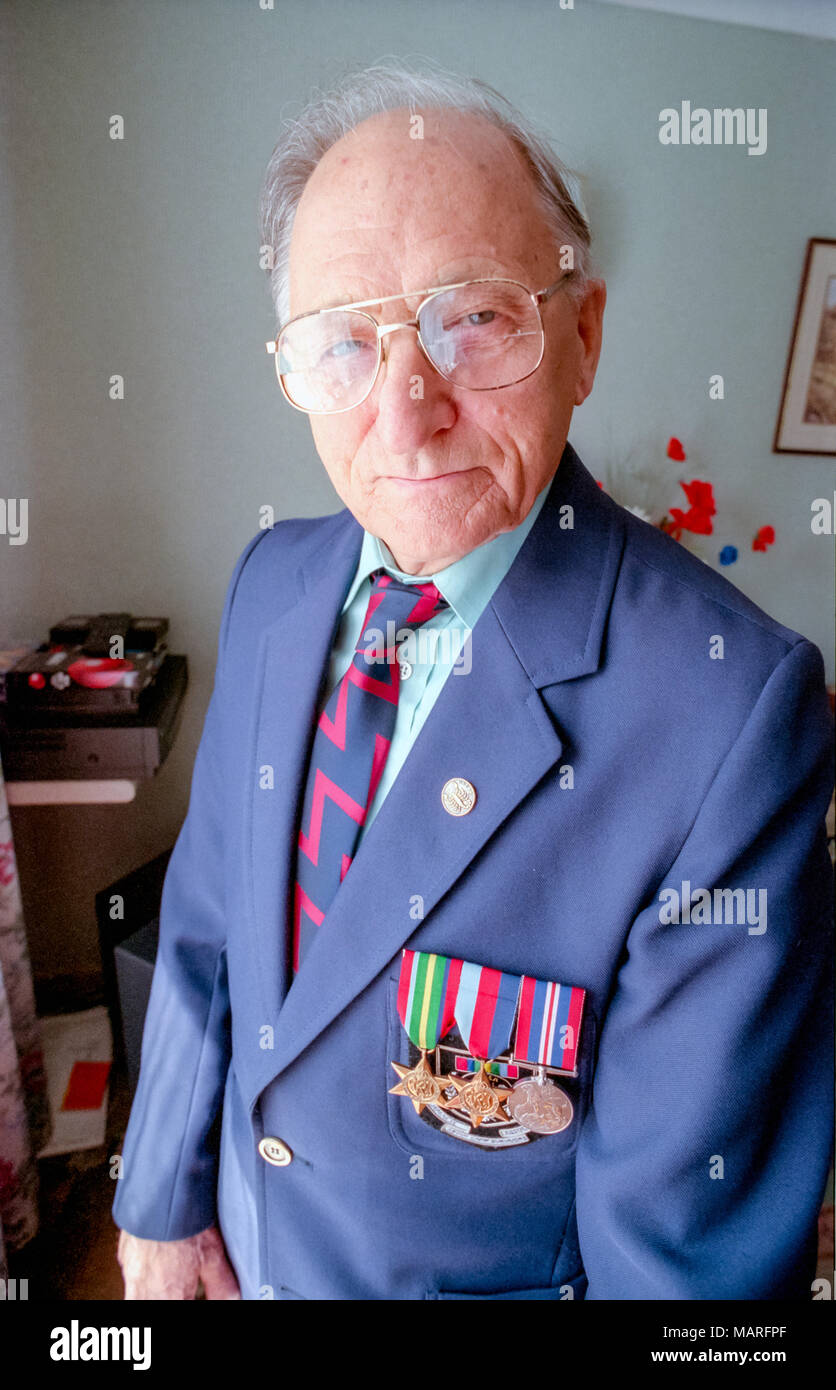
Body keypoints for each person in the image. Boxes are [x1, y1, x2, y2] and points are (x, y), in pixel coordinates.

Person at [112, 62, 833, 1300]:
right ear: (293, 369)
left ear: (582, 336)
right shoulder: (273, 585)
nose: (405, 413)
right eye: (343, 342)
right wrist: (160, 1205)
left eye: (475, 318)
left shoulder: (730, 716)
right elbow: (208, 922)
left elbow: (680, 1270)